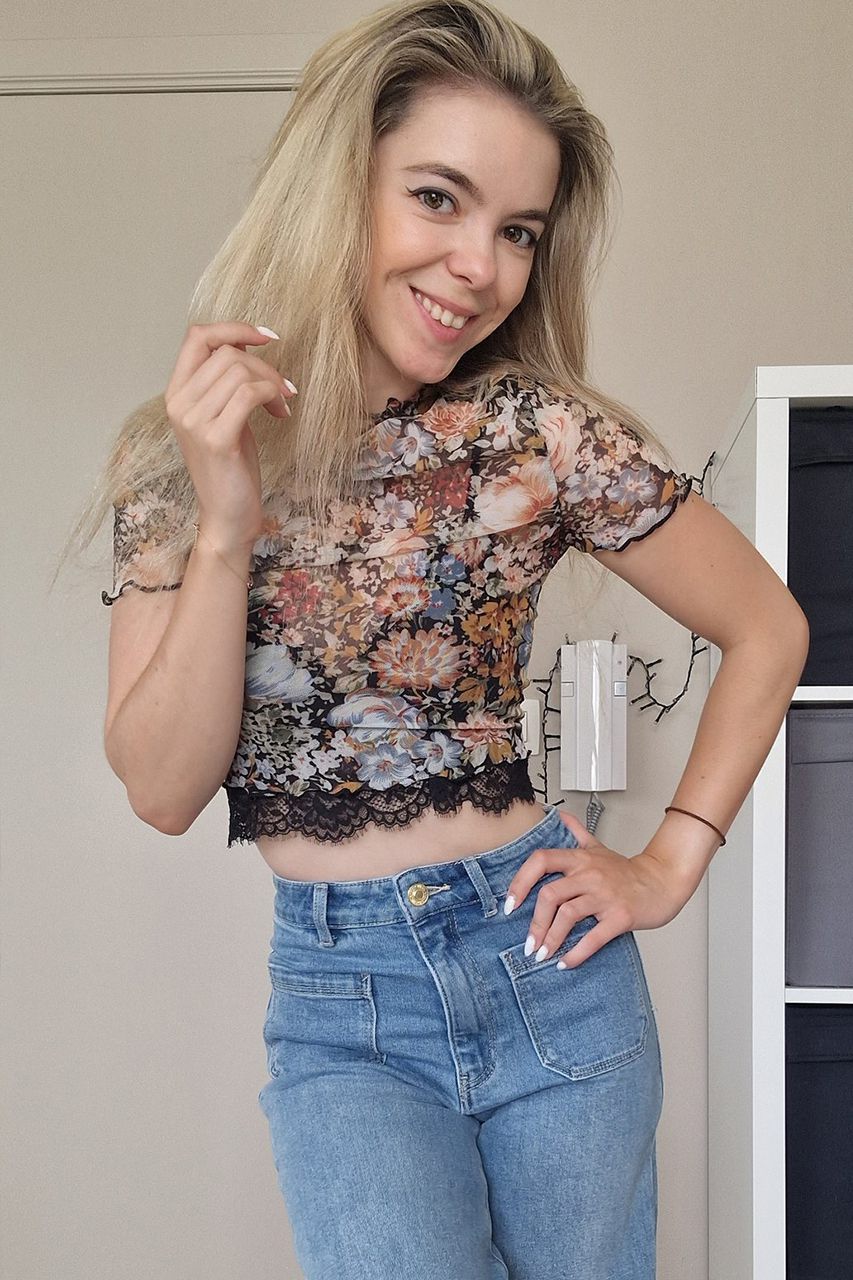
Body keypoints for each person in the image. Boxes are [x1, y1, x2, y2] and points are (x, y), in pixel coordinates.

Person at [82, 1, 808, 1275]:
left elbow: (768, 625)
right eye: (437, 198)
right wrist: (226, 524)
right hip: (342, 1005)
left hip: (546, 958)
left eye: (517, 230)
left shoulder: (537, 432)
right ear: (336, 189)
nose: (480, 264)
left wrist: (668, 862)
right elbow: (160, 786)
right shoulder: (176, 459)